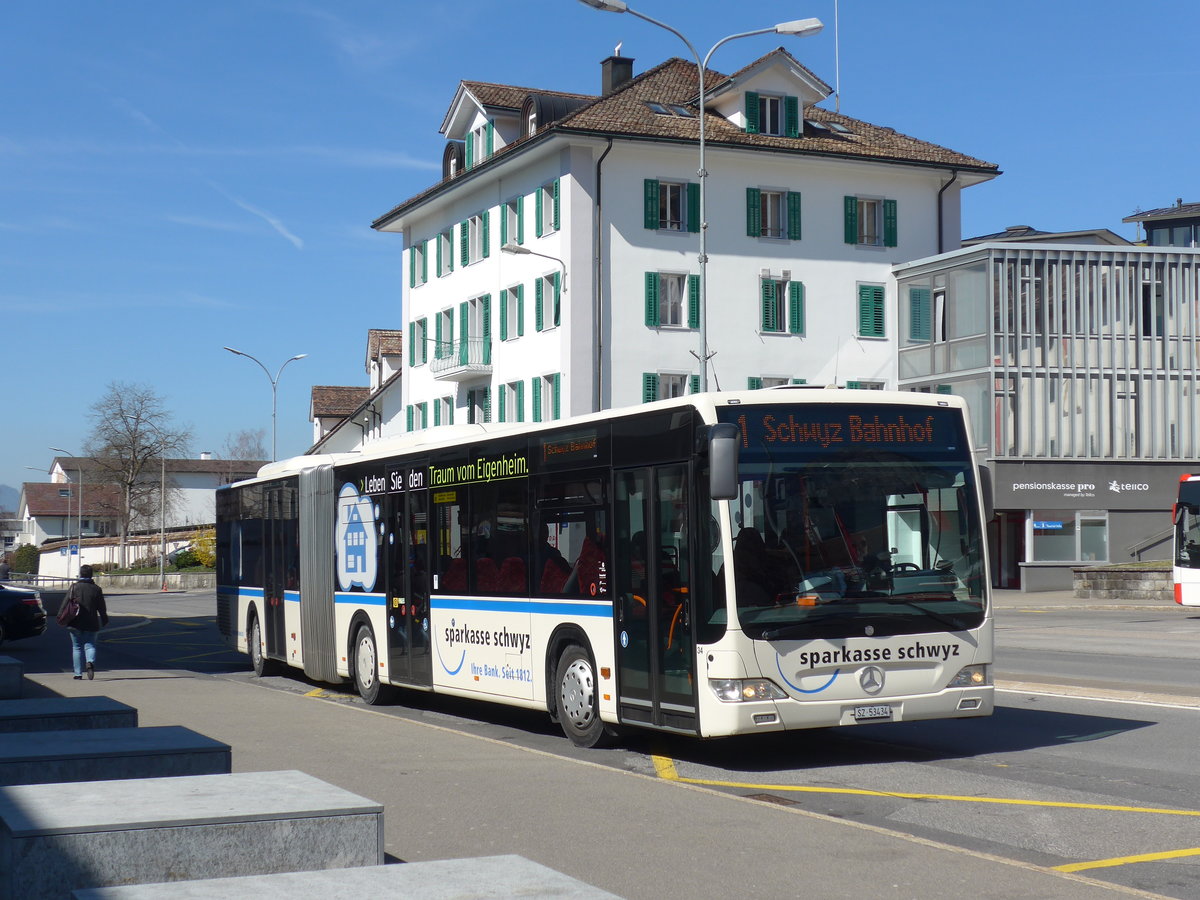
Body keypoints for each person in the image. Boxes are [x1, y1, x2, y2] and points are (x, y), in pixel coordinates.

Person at [62, 564, 108, 680]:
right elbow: (101, 607)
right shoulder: (97, 589)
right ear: (91, 575)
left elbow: (65, 603)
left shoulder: (74, 587)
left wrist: (60, 617)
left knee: (76, 647)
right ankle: (90, 662)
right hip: (91, 622)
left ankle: (77, 673)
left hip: (74, 622)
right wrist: (104, 618)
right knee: (90, 645)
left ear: (80, 574)